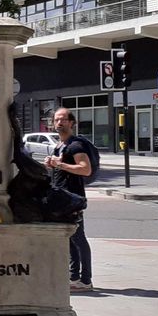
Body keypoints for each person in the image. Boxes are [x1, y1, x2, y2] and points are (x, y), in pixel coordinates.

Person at [44, 108, 94, 290]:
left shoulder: (75, 145)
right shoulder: (59, 145)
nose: (59, 123)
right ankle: (74, 277)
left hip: (73, 199)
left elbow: (85, 169)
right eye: (56, 120)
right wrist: (52, 166)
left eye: (63, 120)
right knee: (69, 238)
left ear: (72, 123)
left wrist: (61, 164)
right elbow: (61, 170)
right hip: (62, 199)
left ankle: (86, 280)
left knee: (79, 238)